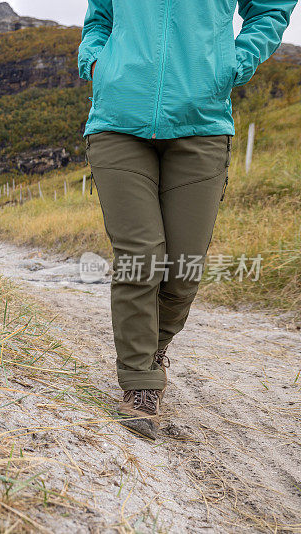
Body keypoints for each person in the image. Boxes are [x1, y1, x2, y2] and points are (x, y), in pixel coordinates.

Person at [79, 0, 297, 439]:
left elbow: (272, 7)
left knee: (183, 267)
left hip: (201, 124)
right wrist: (96, 62)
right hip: (118, 123)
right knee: (141, 256)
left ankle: (153, 350)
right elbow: (100, 18)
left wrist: (234, 63)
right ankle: (140, 384)